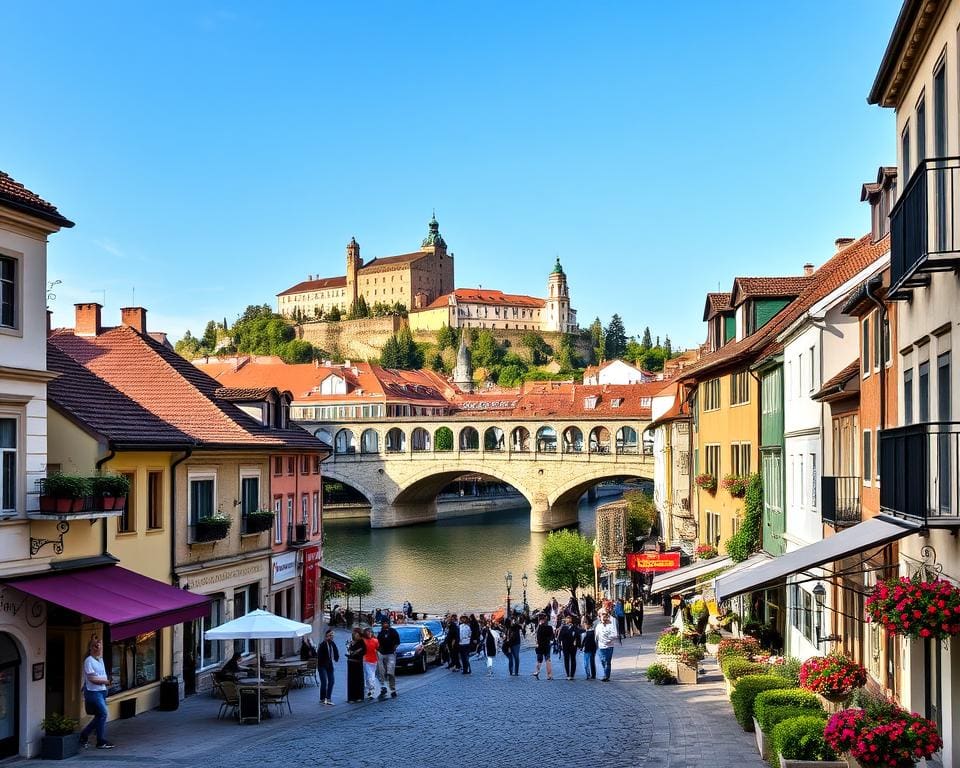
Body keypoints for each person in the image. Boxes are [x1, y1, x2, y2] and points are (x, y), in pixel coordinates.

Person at [79, 635, 114, 750]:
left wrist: (105, 684)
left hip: (101, 691)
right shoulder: (88, 661)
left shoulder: (100, 659)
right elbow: (92, 679)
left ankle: (84, 735)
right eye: (97, 646)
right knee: (103, 714)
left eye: (100, 646)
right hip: (94, 692)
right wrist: (106, 681)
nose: (99, 648)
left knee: (99, 716)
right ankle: (100, 741)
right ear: (91, 648)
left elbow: (100, 674)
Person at [377, 619, 401, 699]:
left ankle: (393, 689)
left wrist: (393, 649)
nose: (385, 624)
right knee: (381, 672)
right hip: (382, 654)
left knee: (390, 672)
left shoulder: (393, 631)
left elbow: (397, 641)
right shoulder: (380, 633)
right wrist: (379, 650)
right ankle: (384, 687)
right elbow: (378, 643)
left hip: (390, 653)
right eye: (383, 623)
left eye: (386, 623)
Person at [317, 629, 339, 706]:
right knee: (324, 682)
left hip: (329, 665)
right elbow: (319, 655)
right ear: (326, 636)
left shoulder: (332, 644)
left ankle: (328, 697)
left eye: (332, 635)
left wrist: (336, 658)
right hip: (322, 665)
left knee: (332, 681)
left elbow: (336, 652)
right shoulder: (322, 644)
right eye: (330, 635)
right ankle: (322, 698)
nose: (331, 637)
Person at [595, 610, 618, 682]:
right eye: (602, 617)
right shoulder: (598, 626)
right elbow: (596, 636)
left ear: (607, 618)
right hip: (601, 646)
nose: (603, 619)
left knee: (607, 661)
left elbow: (615, 635)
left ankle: (606, 676)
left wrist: (608, 638)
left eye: (605, 617)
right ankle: (605, 672)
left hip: (609, 646)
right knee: (602, 661)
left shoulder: (611, 625)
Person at [531, 613, 554, 680]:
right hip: (547, 645)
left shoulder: (540, 627)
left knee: (539, 660)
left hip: (541, 645)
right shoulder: (550, 627)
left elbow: (537, 634)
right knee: (547, 660)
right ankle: (549, 675)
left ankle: (537, 672)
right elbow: (552, 636)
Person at [558, 614, 581, 680]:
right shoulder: (563, 628)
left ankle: (572, 675)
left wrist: (578, 645)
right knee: (566, 660)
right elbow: (560, 637)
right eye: (567, 618)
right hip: (565, 646)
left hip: (573, 646)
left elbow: (578, 636)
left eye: (569, 618)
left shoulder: (575, 627)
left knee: (573, 659)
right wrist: (560, 644)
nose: (568, 620)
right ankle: (568, 674)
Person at [346, 628, 365, 703]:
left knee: (358, 681)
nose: (355, 635)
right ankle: (351, 698)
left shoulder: (361, 642)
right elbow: (348, 651)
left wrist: (357, 652)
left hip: (358, 663)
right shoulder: (350, 642)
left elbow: (363, 651)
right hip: (351, 663)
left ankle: (359, 697)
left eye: (357, 634)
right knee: (351, 681)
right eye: (354, 634)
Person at [361, 628, 380, 699]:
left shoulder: (375, 641)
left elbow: (378, 649)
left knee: (370, 675)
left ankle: (370, 689)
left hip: (374, 660)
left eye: (370, 632)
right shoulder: (363, 641)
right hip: (366, 660)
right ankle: (371, 688)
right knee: (369, 675)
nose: (369, 633)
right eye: (368, 632)